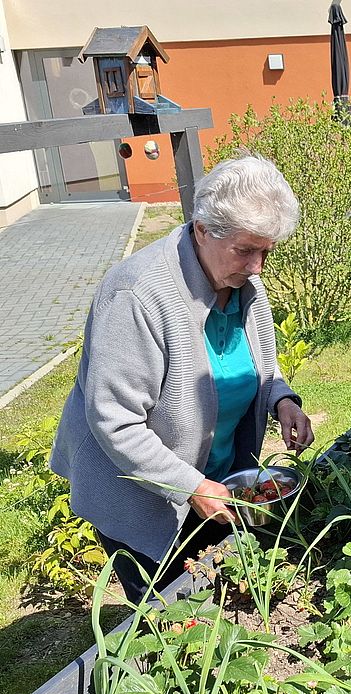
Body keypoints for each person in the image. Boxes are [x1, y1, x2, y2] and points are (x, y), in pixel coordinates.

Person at [50, 154, 314, 602]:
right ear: (202, 229)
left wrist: (281, 398)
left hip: (214, 484)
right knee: (166, 617)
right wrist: (190, 486)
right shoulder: (137, 294)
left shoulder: (242, 282)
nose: (258, 267)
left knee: (215, 596)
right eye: (246, 250)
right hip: (141, 495)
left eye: (266, 251)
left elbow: (256, 361)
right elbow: (115, 421)